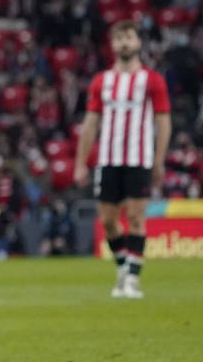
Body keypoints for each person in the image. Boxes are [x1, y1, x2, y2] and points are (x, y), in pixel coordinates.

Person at [73, 19, 172, 299]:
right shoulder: (101, 81)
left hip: (139, 159)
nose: (125, 43)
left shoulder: (152, 80)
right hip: (108, 159)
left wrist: (159, 159)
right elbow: (90, 124)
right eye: (119, 39)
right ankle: (122, 267)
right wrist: (81, 162)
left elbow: (163, 122)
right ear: (112, 44)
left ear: (138, 42)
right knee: (107, 220)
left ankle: (132, 280)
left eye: (129, 37)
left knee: (136, 216)